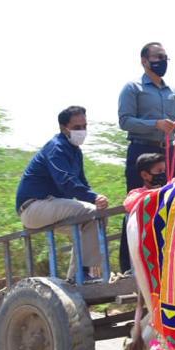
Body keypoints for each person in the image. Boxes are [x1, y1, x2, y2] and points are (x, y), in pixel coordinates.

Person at [117, 42, 175, 271]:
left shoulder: (174, 92)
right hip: (142, 150)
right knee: (138, 204)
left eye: (166, 57)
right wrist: (155, 124)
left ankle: (168, 260)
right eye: (158, 57)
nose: (163, 61)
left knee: (173, 203)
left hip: (169, 153)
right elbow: (124, 121)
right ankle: (130, 264)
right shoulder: (132, 88)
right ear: (145, 61)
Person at [15, 106, 109, 282]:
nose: (82, 131)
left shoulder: (75, 151)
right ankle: (82, 273)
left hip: (51, 205)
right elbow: (66, 182)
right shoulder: (56, 148)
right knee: (92, 213)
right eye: (77, 127)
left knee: (95, 220)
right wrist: (93, 199)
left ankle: (77, 277)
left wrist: (96, 198)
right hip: (34, 207)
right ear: (64, 128)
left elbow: (82, 184)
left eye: (84, 126)